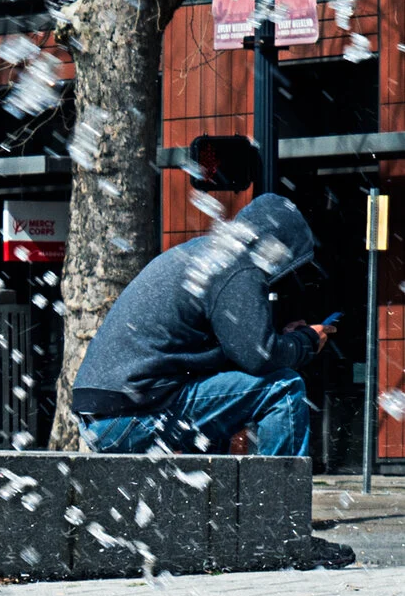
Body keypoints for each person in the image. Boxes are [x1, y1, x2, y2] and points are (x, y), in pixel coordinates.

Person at [71, 193, 330, 456]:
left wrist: (282, 339)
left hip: (102, 417)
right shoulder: (239, 266)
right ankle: (275, 495)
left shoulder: (208, 253)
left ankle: (212, 497)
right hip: (132, 416)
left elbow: (241, 352)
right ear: (280, 248)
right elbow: (259, 358)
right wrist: (305, 342)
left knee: (217, 414)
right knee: (282, 388)